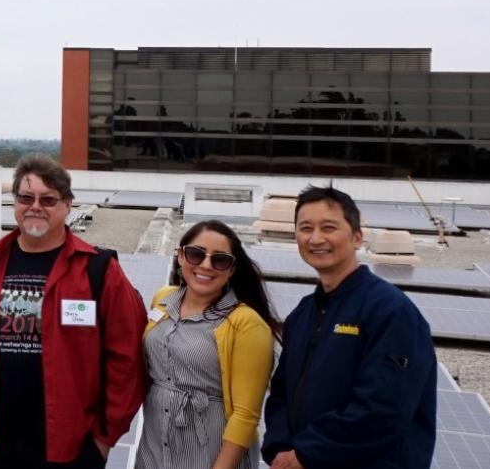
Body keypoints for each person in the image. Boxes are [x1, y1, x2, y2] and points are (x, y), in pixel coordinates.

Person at [0, 154, 144, 469]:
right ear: (14, 203)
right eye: (26, 197)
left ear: (67, 205)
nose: (35, 206)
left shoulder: (99, 271)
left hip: (69, 450)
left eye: (48, 199)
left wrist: (104, 438)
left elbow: (127, 360)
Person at [261, 186, 436, 469]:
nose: (316, 238)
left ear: (357, 237)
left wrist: (307, 453)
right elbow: (282, 393)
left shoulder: (391, 311)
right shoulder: (303, 314)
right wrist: (280, 447)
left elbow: (384, 407)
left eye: (328, 227)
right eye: (306, 228)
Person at [136, 220, 278, 469]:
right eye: (195, 254)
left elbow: (245, 416)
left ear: (232, 269)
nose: (205, 265)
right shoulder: (162, 299)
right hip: (154, 448)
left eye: (219, 260)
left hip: (208, 454)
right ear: (180, 256)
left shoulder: (246, 324)